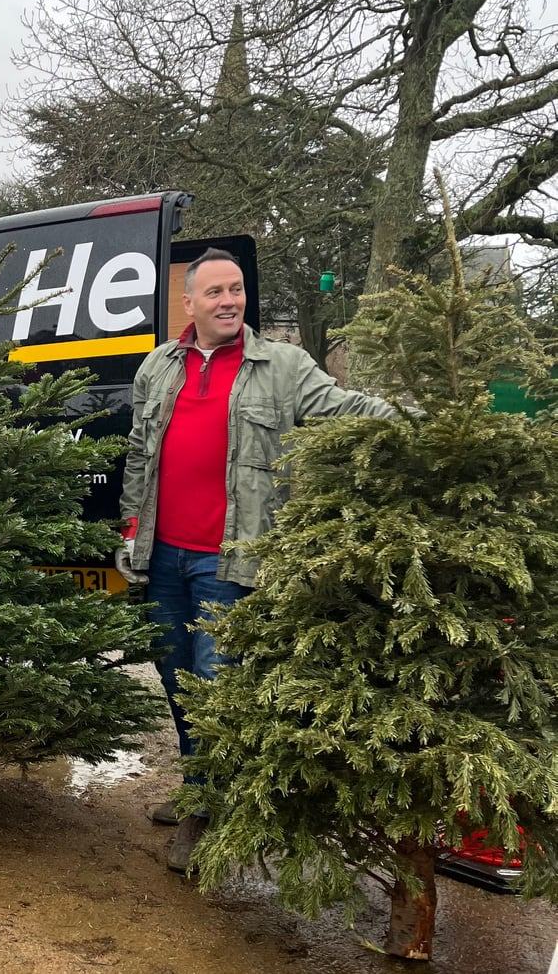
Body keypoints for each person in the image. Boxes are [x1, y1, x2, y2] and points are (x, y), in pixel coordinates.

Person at [116, 248, 395, 872]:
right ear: (188, 303)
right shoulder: (159, 367)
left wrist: (414, 417)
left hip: (230, 559)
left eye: (235, 290)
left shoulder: (283, 365)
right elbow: (140, 454)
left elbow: (345, 408)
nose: (227, 301)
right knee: (177, 676)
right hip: (162, 555)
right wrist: (132, 530)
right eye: (213, 292)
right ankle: (200, 782)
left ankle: (208, 809)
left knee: (217, 683)